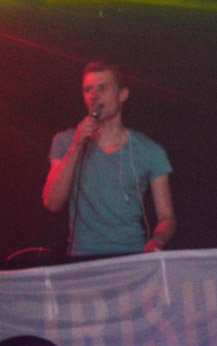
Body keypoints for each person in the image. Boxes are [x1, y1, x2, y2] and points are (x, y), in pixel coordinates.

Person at [42, 60, 176, 256]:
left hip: (130, 256)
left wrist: (157, 240)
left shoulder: (149, 151)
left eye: (102, 88)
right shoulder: (65, 141)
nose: (94, 96)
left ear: (123, 94)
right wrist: (76, 146)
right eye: (88, 89)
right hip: (83, 258)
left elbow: (166, 216)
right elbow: (52, 203)